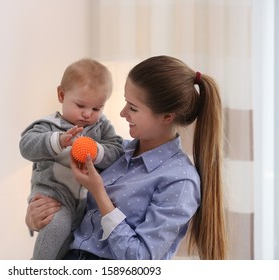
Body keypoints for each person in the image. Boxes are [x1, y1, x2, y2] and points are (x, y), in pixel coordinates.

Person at [25, 55, 228, 260]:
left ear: (167, 117)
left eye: (133, 108)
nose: (122, 113)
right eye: (125, 103)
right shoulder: (115, 152)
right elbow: (62, 186)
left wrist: (99, 193)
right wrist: (37, 216)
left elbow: (141, 259)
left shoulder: (179, 180)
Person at [19, 58, 124, 259]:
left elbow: (117, 150)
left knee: (69, 245)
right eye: (81, 105)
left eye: (96, 109)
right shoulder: (49, 126)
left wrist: (96, 151)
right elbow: (26, 146)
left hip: (85, 202)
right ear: (61, 95)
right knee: (58, 225)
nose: (87, 114)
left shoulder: (101, 127)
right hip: (53, 194)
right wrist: (58, 141)